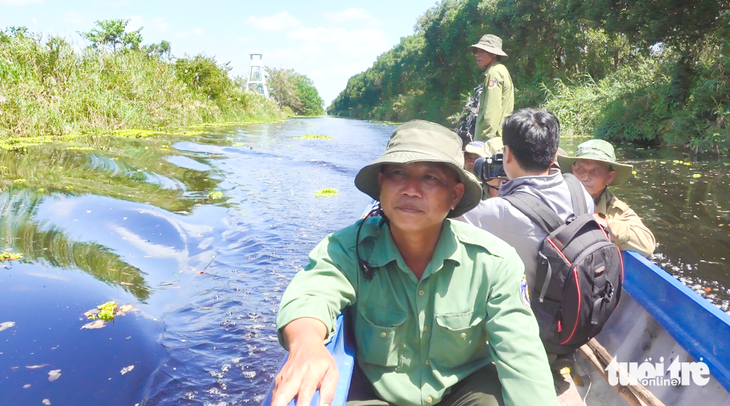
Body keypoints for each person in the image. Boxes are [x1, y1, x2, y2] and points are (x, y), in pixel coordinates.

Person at [272, 121, 558, 406]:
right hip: (378, 393)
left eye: (430, 178)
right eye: (398, 174)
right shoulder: (348, 249)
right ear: (382, 185)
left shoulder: (494, 262)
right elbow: (311, 294)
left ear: (455, 195)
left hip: (462, 389)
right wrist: (306, 345)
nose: (411, 190)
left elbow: (521, 356)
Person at [457, 108, 593, 303]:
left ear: (508, 154)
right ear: (554, 156)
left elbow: (439, 220)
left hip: (536, 316)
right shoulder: (578, 190)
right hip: (578, 305)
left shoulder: (498, 211)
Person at [558, 139, 656, 257]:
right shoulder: (557, 194)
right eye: (580, 169)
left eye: (594, 171)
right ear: (573, 170)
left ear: (609, 177)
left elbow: (647, 246)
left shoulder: (616, 209)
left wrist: (603, 224)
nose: (585, 176)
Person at [470, 34, 514, 152]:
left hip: (491, 141)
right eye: (476, 51)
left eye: (482, 51)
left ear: (494, 54)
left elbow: (492, 110)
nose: (477, 54)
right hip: (498, 138)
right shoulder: (500, 70)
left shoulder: (494, 73)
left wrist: (485, 140)